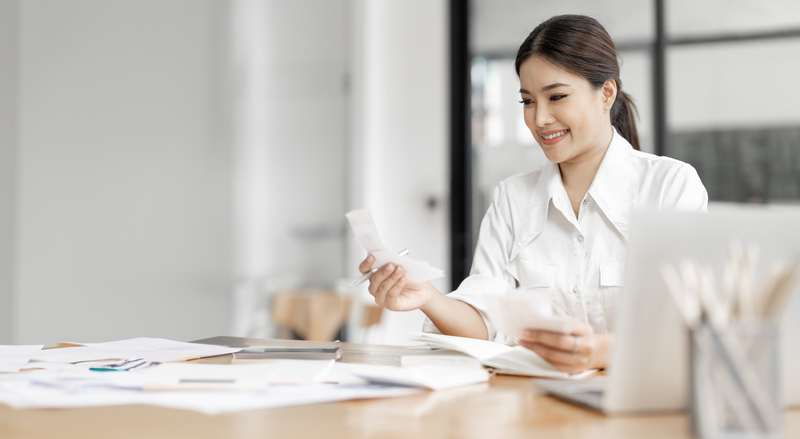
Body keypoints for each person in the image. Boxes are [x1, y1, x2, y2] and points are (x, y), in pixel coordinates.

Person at [357, 15, 708, 374]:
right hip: (533, 407)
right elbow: (484, 325)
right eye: (527, 101)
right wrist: (426, 297)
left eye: (556, 96)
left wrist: (599, 352)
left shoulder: (671, 186)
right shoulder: (513, 197)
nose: (540, 119)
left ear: (606, 93)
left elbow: (685, 328)